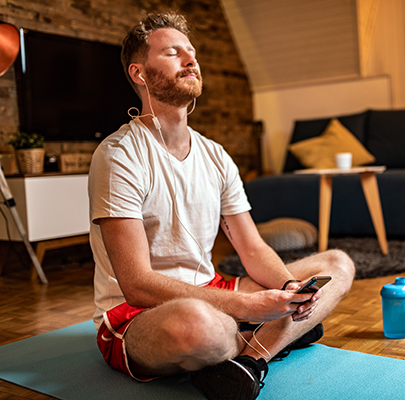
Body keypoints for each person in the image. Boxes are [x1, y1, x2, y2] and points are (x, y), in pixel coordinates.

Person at [88, 10, 355, 400]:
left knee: (337, 264)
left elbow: (252, 247)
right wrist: (247, 305)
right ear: (140, 74)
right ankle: (271, 335)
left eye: (191, 52)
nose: (190, 59)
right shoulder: (119, 155)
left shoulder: (215, 155)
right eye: (172, 53)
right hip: (138, 315)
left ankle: (251, 362)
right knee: (200, 326)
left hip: (212, 288)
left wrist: (288, 288)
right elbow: (137, 285)